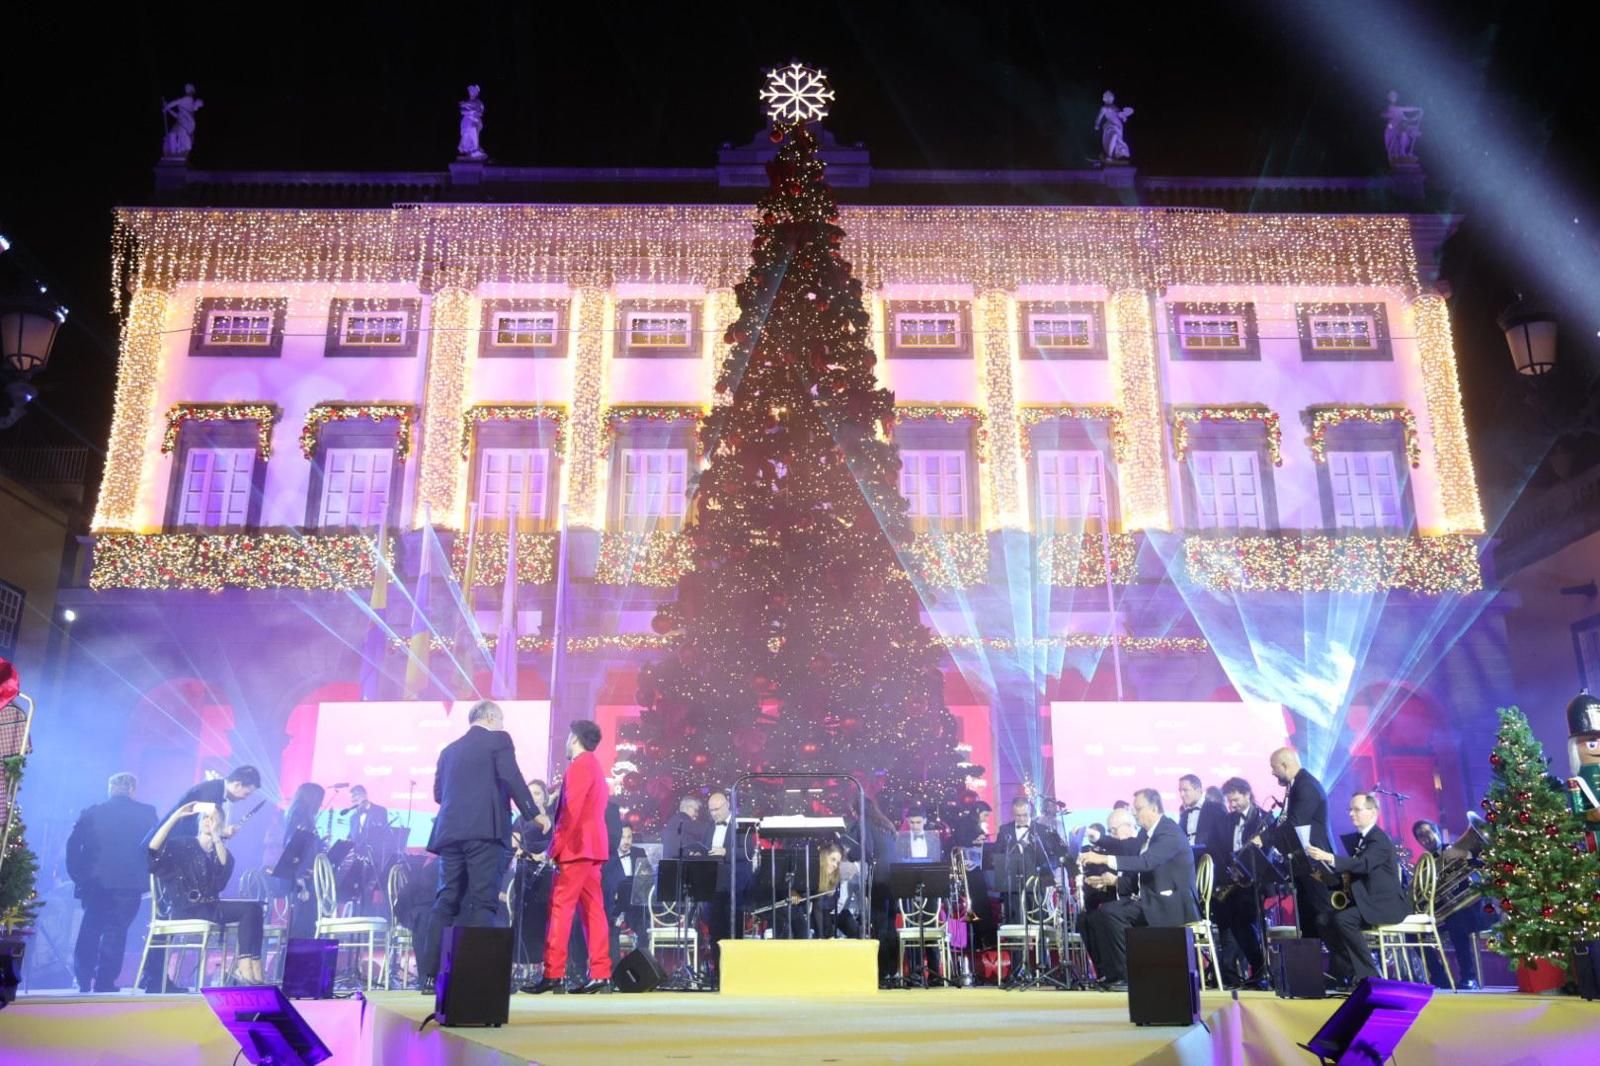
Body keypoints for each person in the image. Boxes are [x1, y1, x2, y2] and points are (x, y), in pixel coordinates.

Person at [420, 700, 538, 984]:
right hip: (485, 832)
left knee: (446, 900)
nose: (502, 725)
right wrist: (533, 813)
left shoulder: (448, 751)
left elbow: (439, 794)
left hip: (450, 834)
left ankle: (429, 976)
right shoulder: (499, 739)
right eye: (501, 720)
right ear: (490, 718)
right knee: (483, 902)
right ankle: (474, 977)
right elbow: (511, 776)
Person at [1080, 788, 1201, 990]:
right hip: (1151, 899)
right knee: (1100, 914)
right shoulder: (1147, 833)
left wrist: (1103, 859)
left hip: (1171, 903)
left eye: (1138, 809)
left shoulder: (1169, 832)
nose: (1135, 814)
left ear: (1154, 808)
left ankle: (1128, 976)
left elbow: (1146, 862)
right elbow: (1126, 848)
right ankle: (1112, 974)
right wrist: (1097, 838)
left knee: (1112, 913)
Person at [146, 800, 267, 986]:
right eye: (205, 818)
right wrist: (175, 817)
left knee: (254, 908)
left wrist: (217, 837)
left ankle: (252, 965)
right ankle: (245, 967)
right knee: (249, 909)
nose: (208, 821)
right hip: (187, 908)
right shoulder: (183, 844)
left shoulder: (222, 852)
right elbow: (153, 849)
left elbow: (222, 874)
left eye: (214, 819)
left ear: (221, 824)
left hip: (210, 907)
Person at [530, 719, 612, 994]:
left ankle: (553, 973)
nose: (566, 742)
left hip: (576, 848)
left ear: (575, 738)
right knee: (593, 910)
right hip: (592, 847)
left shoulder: (579, 766)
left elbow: (571, 813)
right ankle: (600, 973)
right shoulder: (594, 766)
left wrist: (554, 848)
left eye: (568, 737)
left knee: (561, 908)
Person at [67, 772, 159, 993]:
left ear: (110, 789)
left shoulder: (92, 812)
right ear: (133, 790)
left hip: (94, 882)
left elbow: (73, 846)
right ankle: (105, 981)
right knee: (116, 932)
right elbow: (156, 846)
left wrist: (78, 875)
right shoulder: (147, 813)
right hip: (129, 883)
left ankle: (82, 979)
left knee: (90, 928)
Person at [1305, 794, 1408, 986]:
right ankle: (1348, 971)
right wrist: (1324, 877)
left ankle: (1370, 975)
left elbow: (1363, 865)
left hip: (1384, 904)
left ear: (1373, 812)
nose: (1351, 814)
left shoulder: (1378, 839)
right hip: (1368, 902)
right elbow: (1353, 874)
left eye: (1357, 810)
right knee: (1323, 920)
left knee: (1343, 919)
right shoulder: (1363, 840)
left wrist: (1329, 857)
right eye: (1350, 810)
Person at [1256, 747, 1337, 976]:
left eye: (1274, 768)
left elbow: (1294, 823)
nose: (1272, 773)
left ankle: (1342, 971)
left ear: (1285, 764)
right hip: (1303, 863)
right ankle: (1312, 974)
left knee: (1324, 916)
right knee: (1308, 919)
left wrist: (1265, 839)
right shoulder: (1295, 786)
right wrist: (1263, 836)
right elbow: (1284, 821)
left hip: (1316, 862)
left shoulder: (1306, 786)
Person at [1412, 819, 1491, 989]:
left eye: (1428, 832)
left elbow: (1484, 864)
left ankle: (1469, 977)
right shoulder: (1424, 865)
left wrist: (1464, 855)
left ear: (1437, 832)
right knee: (1412, 933)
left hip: (1470, 907)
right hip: (1445, 912)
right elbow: (1424, 895)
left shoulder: (1456, 849)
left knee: (1456, 922)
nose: (1426, 838)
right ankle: (1440, 978)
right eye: (1420, 836)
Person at [1215, 777, 1273, 987]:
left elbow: (1266, 851)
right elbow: (1222, 848)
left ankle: (1260, 970)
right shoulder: (1228, 820)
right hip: (1233, 881)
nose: (1232, 805)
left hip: (1254, 881)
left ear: (1247, 794)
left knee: (1246, 923)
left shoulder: (1263, 818)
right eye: (1230, 801)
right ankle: (1256, 969)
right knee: (1235, 923)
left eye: (1236, 800)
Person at [510, 779, 556, 978]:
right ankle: (520, 965)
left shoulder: (554, 819)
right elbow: (514, 845)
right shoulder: (520, 820)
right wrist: (530, 856)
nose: (533, 797)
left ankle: (543, 966)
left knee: (545, 918)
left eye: (537, 793)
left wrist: (546, 856)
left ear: (545, 797)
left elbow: (560, 842)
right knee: (523, 917)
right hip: (525, 870)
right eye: (530, 793)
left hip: (548, 872)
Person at [273, 782, 326, 939]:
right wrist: (302, 874)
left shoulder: (300, 816)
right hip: (301, 876)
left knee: (308, 920)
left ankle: (307, 950)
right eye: (319, 800)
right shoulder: (300, 817)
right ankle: (302, 953)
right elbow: (296, 847)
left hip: (305, 873)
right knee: (304, 921)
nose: (321, 804)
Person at [158, 766, 262, 843]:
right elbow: (202, 829)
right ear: (237, 785)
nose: (245, 798)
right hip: (165, 845)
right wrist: (223, 832)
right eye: (246, 793)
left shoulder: (217, 789)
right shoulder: (213, 792)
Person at [1177, 774, 1232, 869]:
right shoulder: (1184, 815)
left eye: (1185, 790)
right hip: (1188, 867)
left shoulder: (1216, 809)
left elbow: (1225, 842)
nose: (1181, 795)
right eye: (1180, 791)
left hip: (1211, 868)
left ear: (1198, 790)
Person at [660, 794, 708, 859]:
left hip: (670, 862)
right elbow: (705, 830)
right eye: (695, 810)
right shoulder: (684, 820)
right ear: (688, 808)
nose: (697, 814)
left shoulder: (673, 821)